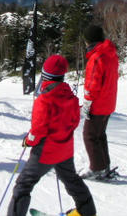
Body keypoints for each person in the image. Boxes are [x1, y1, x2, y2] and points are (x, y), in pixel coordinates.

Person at [7, 55, 96, 216]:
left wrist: (29, 140)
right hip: (65, 149)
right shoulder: (72, 98)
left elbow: (38, 129)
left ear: (45, 75)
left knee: (23, 185)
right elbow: (74, 122)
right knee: (71, 180)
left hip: (45, 152)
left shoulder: (44, 99)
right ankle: (87, 211)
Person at [80, 25, 119, 180]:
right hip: (108, 102)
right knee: (99, 135)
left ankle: (97, 168)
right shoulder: (110, 54)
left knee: (89, 135)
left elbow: (92, 85)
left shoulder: (96, 58)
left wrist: (87, 103)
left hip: (98, 104)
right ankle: (103, 165)